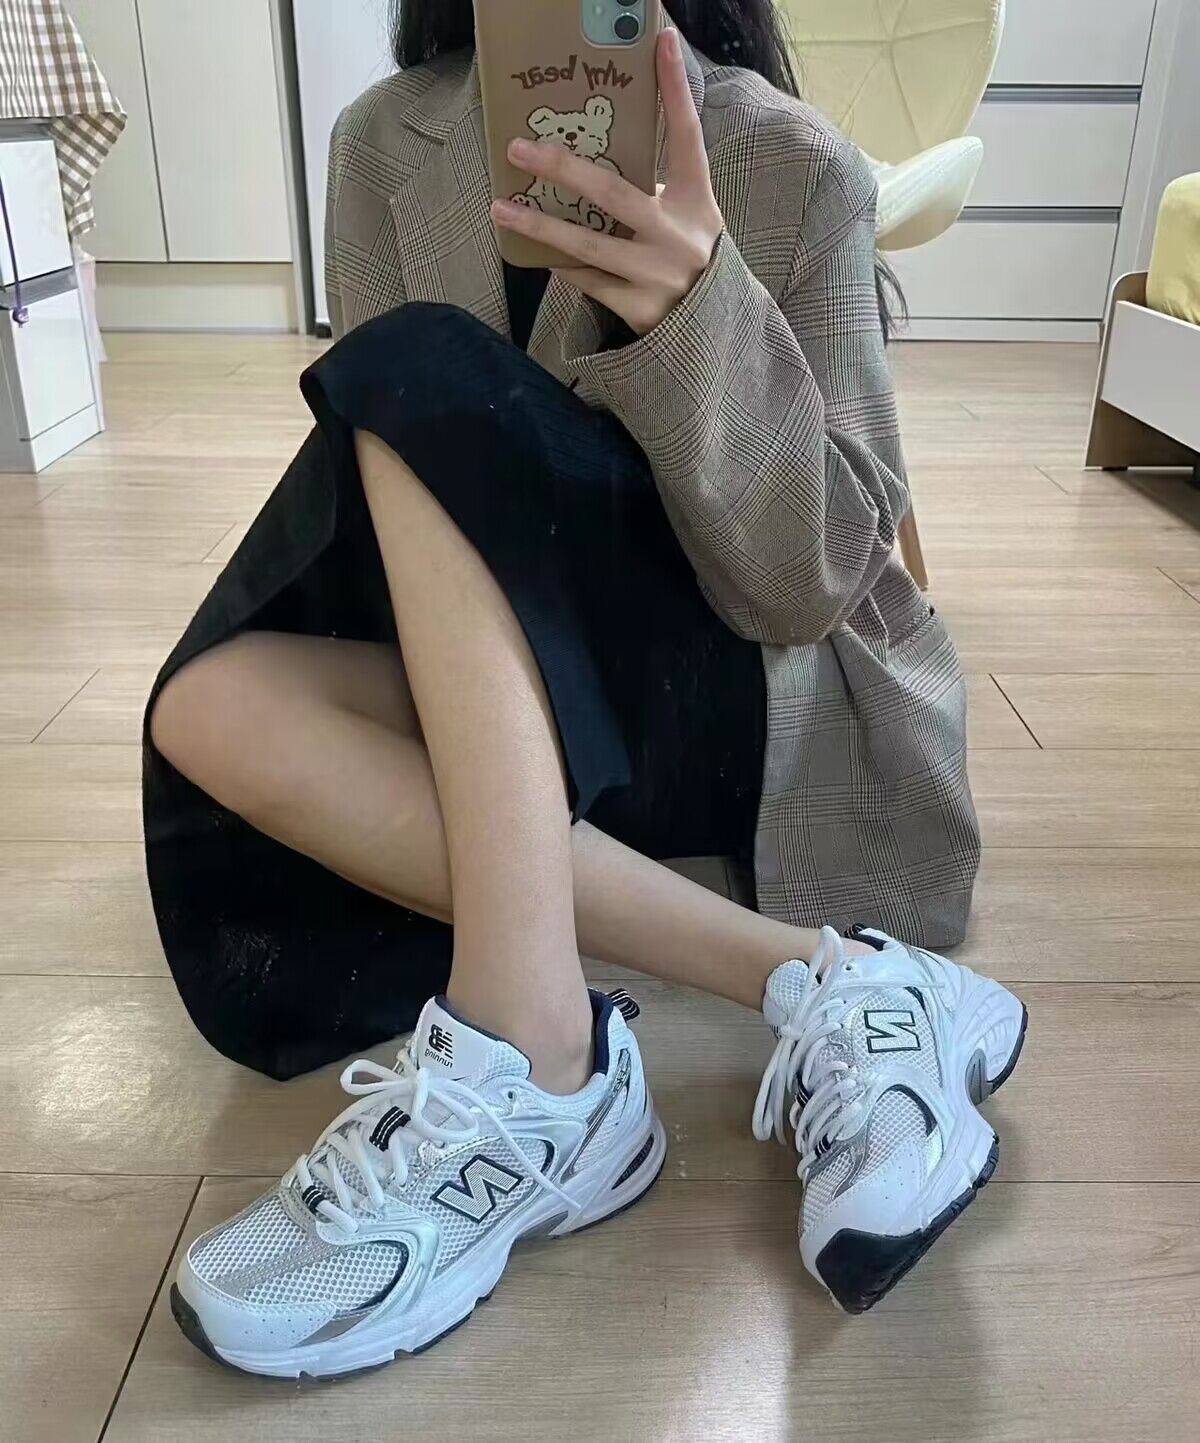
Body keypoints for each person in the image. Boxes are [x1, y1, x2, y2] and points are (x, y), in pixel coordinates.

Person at [146, 2, 1026, 1379]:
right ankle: (830, 981)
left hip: (734, 691)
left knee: (418, 366)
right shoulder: (381, 144)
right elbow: (390, 501)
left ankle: (535, 1053)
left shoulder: (794, 164)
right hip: (525, 701)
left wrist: (699, 312)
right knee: (210, 704)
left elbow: (815, 582)